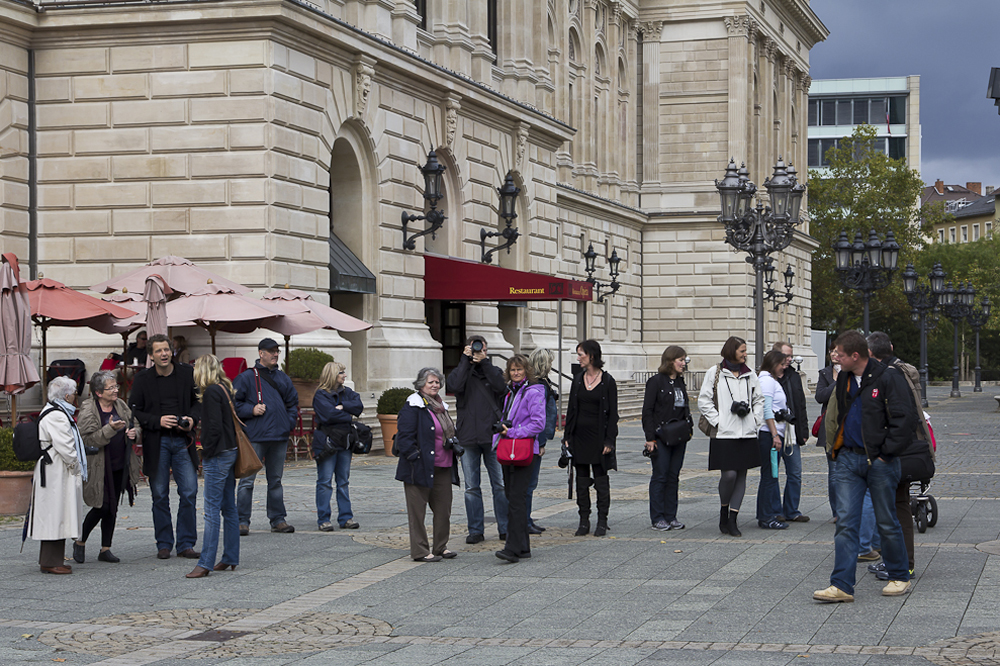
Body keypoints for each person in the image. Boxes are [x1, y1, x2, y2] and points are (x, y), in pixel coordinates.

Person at [813, 330, 916, 603]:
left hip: (880, 461)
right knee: (845, 523)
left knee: (887, 521)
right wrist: (835, 449)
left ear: (855, 356)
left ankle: (899, 575)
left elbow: (905, 419)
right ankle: (841, 585)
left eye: (839, 354)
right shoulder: (844, 378)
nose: (834, 357)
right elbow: (834, 413)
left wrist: (886, 454)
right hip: (847, 459)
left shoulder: (888, 377)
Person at [866, 331, 935, 582]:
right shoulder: (904, 371)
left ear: (871, 353)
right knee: (899, 505)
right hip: (907, 447)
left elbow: (899, 417)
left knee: (895, 506)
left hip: (896, 451)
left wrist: (885, 452)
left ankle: (901, 564)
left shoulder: (890, 376)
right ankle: (900, 562)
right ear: (892, 347)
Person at [130, 333, 201, 560]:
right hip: (156, 442)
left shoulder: (187, 373)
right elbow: (136, 410)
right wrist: (157, 421)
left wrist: (192, 420)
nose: (163, 354)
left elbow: (198, 403)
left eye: (166, 350)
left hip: (182, 441)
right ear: (151, 355)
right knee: (159, 494)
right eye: (158, 351)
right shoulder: (143, 379)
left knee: (189, 491)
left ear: (172, 351)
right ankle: (164, 543)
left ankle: (186, 543)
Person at [697, 336, 764, 538]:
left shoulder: (750, 374)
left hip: (746, 432)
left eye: (746, 350)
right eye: (742, 350)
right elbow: (704, 400)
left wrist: (755, 420)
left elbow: (759, 399)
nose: (746, 354)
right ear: (731, 351)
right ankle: (723, 510)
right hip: (725, 433)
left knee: (741, 475)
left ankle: (733, 519)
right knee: (729, 475)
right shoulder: (715, 372)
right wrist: (719, 420)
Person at [446, 335, 508, 544]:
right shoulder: (462, 371)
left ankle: (505, 528)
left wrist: (485, 362)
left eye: (481, 348)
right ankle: (475, 530)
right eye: (474, 348)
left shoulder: (494, 371)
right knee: (472, 487)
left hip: (492, 436)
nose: (478, 351)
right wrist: (465, 360)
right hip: (468, 437)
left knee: (499, 485)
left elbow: (501, 387)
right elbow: (454, 385)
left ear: (487, 350)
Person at [75, 371, 142, 565]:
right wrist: (110, 429)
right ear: (98, 392)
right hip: (99, 466)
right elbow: (86, 439)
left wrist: (133, 433)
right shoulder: (89, 409)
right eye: (110, 388)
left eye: (116, 387)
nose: (115, 390)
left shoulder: (120, 405)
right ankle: (80, 541)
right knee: (101, 505)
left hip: (120, 463)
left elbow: (135, 425)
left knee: (112, 507)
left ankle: (106, 548)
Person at [394, 367, 461, 562]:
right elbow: (404, 437)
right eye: (430, 382)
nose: (434, 385)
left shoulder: (441, 406)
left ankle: (440, 547)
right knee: (417, 513)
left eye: (437, 382)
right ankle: (421, 551)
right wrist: (415, 456)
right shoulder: (413, 406)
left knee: (443, 511)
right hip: (418, 467)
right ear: (421, 384)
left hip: (443, 465)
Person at [234, 338, 299, 535]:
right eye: (271, 351)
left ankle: (278, 519)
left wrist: (288, 423)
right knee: (247, 481)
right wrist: (251, 409)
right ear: (261, 353)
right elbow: (233, 403)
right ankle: (241, 521)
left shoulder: (282, 377)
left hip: (278, 436)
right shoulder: (246, 377)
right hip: (255, 436)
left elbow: (292, 403)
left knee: (276, 481)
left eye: (277, 351)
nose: (275, 354)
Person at [186, 355, 241, 578]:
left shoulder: (210, 392)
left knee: (211, 511)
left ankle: (205, 562)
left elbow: (214, 429)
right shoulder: (224, 388)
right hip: (230, 450)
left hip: (218, 454)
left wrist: (204, 452)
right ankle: (230, 556)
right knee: (229, 507)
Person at [29, 376, 86, 574]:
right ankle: (51, 562)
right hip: (56, 470)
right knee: (55, 514)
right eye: (75, 393)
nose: (76, 397)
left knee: (57, 513)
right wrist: (76, 467)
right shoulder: (58, 415)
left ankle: (52, 560)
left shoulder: (56, 411)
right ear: (68, 395)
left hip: (54, 469)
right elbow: (67, 447)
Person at [563, 339, 619, 537]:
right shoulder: (578, 379)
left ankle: (602, 520)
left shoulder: (608, 381)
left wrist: (609, 441)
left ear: (592, 356)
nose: (578, 358)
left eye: (581, 354)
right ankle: (583, 520)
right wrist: (567, 436)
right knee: (582, 481)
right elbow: (571, 410)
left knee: (601, 481)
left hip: (599, 439)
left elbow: (613, 415)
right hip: (579, 437)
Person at [494, 355, 547, 563]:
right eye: (512, 370)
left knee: (516, 499)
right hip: (510, 449)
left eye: (519, 369)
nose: (516, 373)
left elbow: (538, 424)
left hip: (524, 450)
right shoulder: (511, 393)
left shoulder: (533, 392)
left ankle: (512, 547)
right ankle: (523, 547)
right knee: (513, 497)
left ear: (527, 371)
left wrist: (513, 432)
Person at [641, 346, 690, 531]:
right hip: (661, 437)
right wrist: (650, 438)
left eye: (685, 360)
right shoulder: (656, 382)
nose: (684, 364)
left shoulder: (680, 382)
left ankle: (671, 515)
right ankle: (658, 517)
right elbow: (647, 411)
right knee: (660, 476)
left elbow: (684, 407)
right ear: (670, 361)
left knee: (673, 476)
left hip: (679, 436)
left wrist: (688, 427)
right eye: (681, 360)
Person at [312, 361, 363, 531]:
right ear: (333, 374)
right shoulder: (320, 395)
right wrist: (347, 415)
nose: (345, 375)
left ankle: (346, 517)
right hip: (327, 442)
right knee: (325, 481)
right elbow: (327, 416)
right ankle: (323, 519)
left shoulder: (347, 393)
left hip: (345, 442)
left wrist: (344, 407)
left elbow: (359, 406)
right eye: (341, 372)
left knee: (343, 481)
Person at [772, 341, 809, 523]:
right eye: (786, 356)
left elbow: (801, 404)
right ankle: (774, 510)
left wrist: (804, 430)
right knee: (773, 472)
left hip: (792, 430)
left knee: (795, 473)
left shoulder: (794, 376)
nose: (790, 359)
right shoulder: (768, 377)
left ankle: (791, 510)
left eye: (791, 355)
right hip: (774, 430)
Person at [755, 350, 791, 530]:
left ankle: (765, 514)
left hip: (771, 432)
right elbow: (766, 409)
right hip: (769, 434)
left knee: (769, 475)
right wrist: (775, 434)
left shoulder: (768, 380)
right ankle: (767, 516)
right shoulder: (768, 381)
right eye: (781, 364)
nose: (784, 367)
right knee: (770, 475)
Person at [526, 348, 558, 534]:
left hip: (535, 439)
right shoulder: (538, 385)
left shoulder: (540, 383)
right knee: (529, 483)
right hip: (534, 440)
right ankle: (525, 520)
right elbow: (539, 417)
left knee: (531, 483)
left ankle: (527, 519)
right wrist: (541, 443)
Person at [814, 343, 840, 521]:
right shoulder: (824, 373)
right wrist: (837, 382)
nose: (833, 354)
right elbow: (820, 396)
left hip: (847, 426)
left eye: (837, 351)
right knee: (834, 472)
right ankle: (837, 512)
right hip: (829, 427)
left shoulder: (853, 372)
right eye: (832, 351)